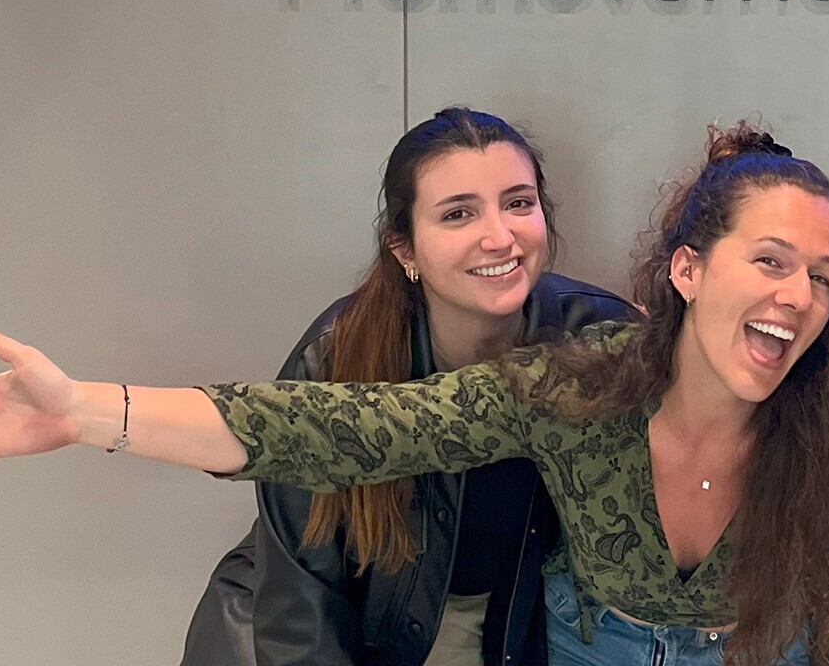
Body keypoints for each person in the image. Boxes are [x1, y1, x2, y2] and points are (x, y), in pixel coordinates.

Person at [0, 124, 829, 666]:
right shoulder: (580, 384)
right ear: (687, 271)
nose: (800, 296)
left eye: (819, 275)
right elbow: (339, 429)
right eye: (768, 262)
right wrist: (89, 413)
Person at [180, 107, 635, 666]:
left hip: (490, 632)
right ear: (405, 249)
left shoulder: (597, 338)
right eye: (458, 214)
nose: (500, 237)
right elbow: (299, 605)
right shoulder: (333, 357)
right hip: (297, 631)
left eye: (518, 203)